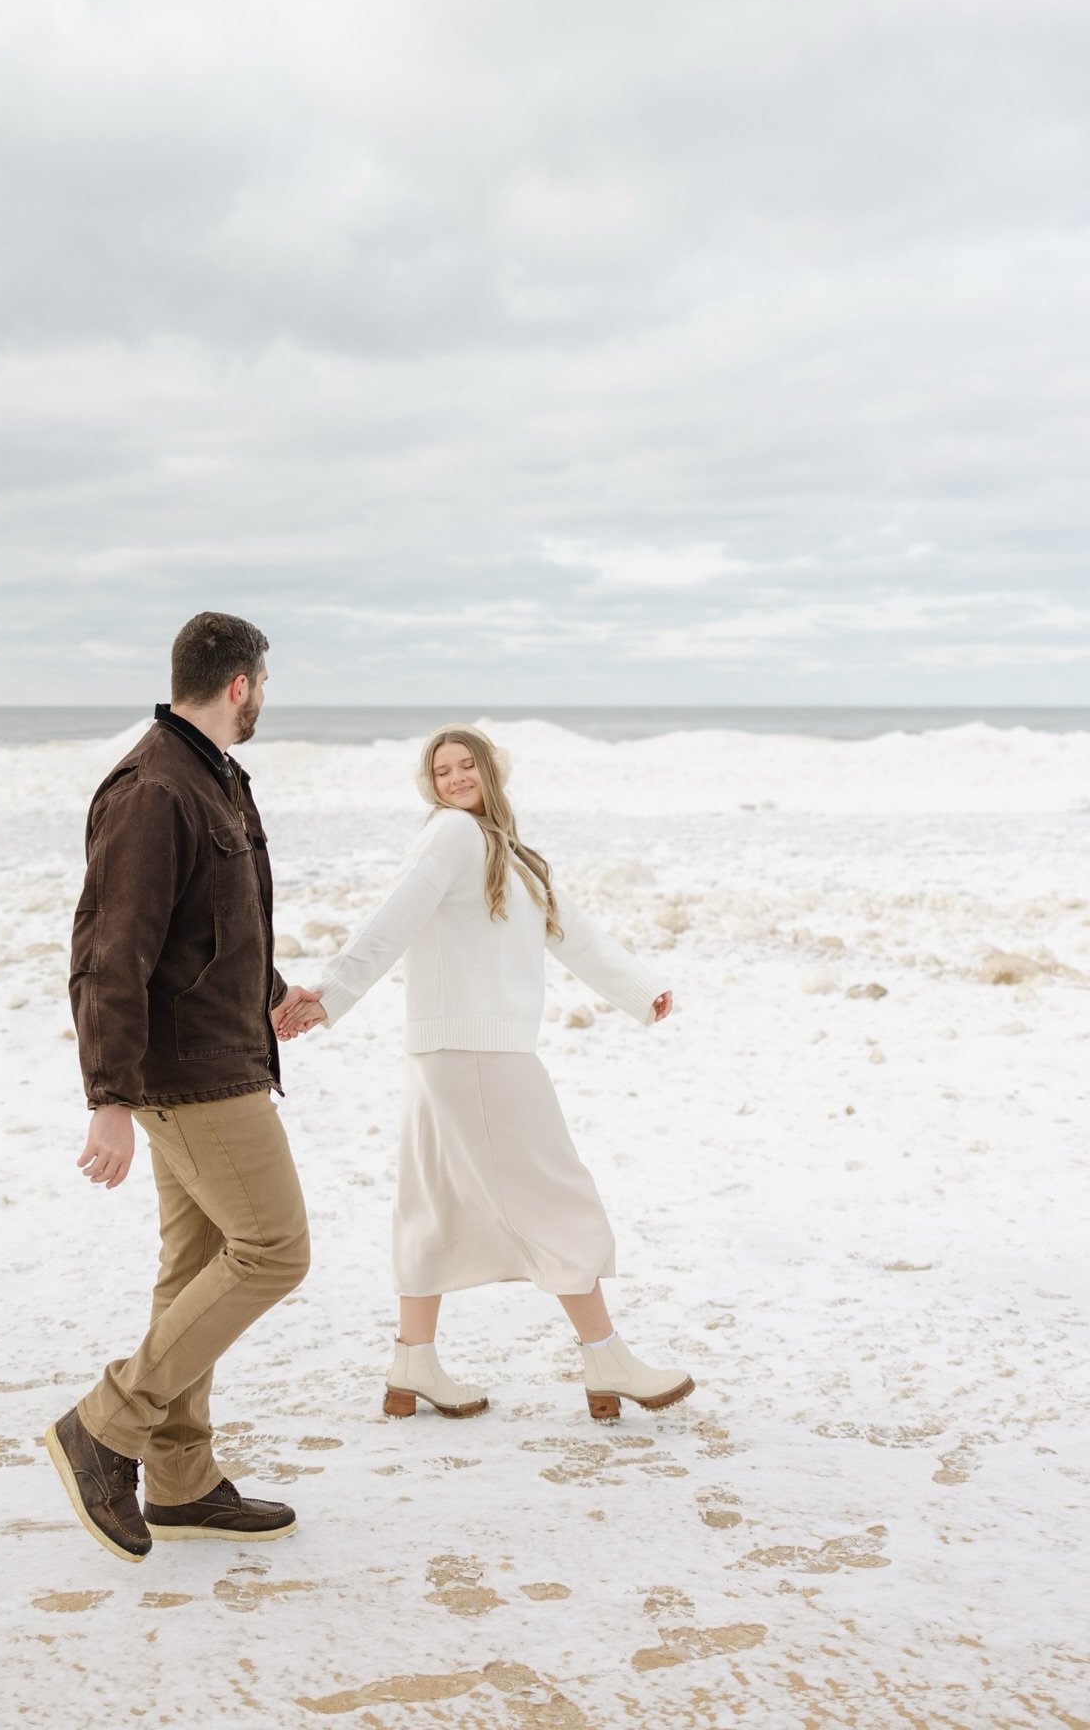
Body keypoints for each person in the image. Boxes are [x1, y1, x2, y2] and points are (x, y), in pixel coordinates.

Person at [277, 724, 694, 1424]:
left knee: (432, 1202)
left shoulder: (508, 849)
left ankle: (413, 1361)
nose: (456, 777)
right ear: (430, 784)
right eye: (442, 770)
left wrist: (637, 987)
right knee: (557, 1195)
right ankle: (606, 1356)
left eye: (467, 764)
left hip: (456, 1052)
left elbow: (574, 932)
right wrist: (332, 993)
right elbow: (395, 917)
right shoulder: (450, 835)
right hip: (474, 1052)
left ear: (490, 771)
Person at [45, 612, 322, 1563]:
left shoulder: (208, 775)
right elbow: (109, 951)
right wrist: (108, 1097)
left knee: (194, 1265)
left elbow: (206, 923)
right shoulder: (157, 787)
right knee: (274, 1250)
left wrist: (273, 991)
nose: (264, 699)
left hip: (217, 1047)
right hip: (191, 1074)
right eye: (265, 684)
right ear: (241, 683)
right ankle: (104, 1425)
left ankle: (180, 1480)